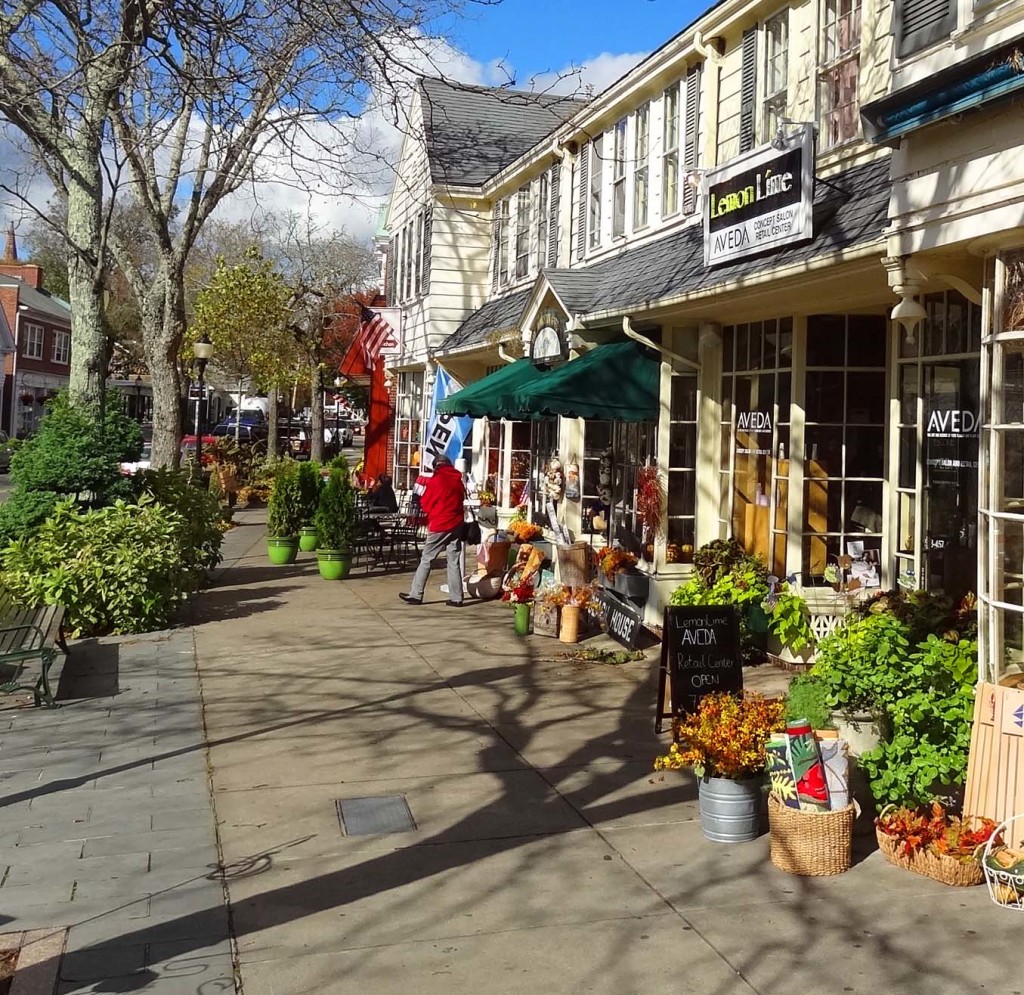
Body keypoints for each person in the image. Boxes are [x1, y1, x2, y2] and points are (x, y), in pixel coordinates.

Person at [400, 455, 465, 607]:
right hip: (456, 524)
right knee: (453, 561)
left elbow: (426, 504)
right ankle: (457, 598)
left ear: (436, 466)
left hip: (440, 524)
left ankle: (416, 594)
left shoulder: (436, 481)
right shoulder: (457, 480)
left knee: (426, 559)